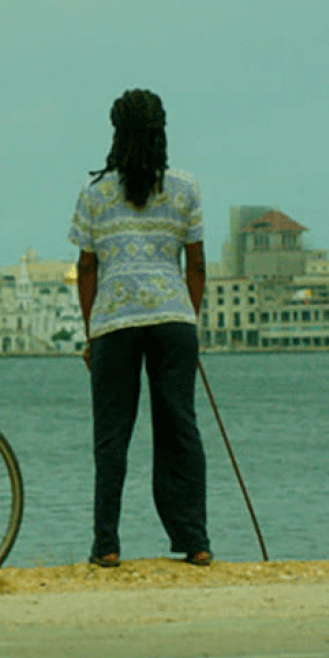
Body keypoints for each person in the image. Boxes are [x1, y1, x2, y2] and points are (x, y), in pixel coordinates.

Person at [68, 88, 212, 569]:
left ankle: (106, 544)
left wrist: (91, 332)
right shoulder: (185, 187)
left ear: (116, 133)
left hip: (114, 323)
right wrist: (189, 317)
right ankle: (195, 542)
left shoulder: (95, 193)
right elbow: (196, 264)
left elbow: (87, 269)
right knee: (180, 429)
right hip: (174, 320)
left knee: (112, 436)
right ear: (162, 131)